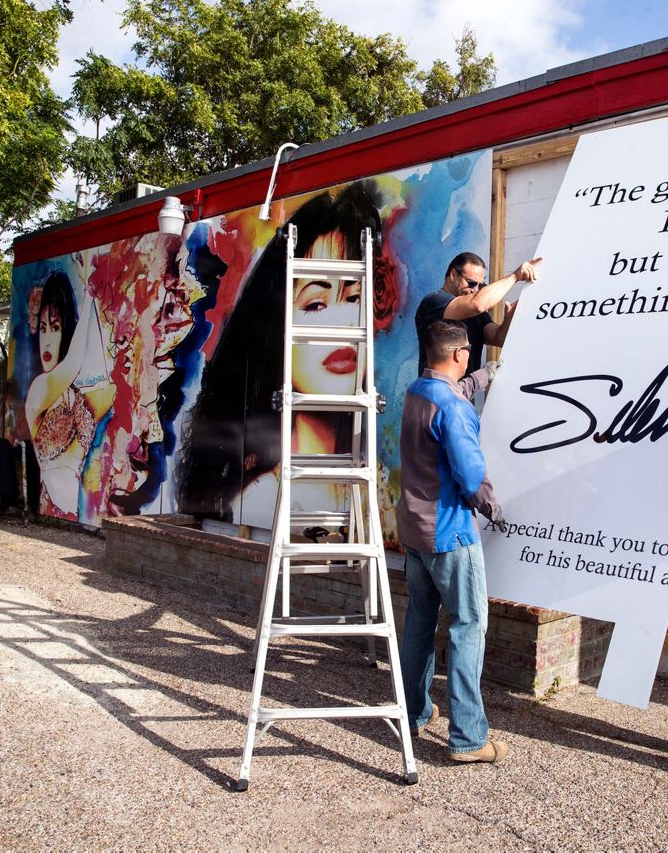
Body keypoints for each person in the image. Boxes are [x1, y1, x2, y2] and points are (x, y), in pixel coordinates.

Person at [178, 181, 392, 524]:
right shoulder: (262, 495)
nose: (342, 324)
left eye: (355, 298)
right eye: (316, 303)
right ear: (275, 325)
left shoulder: (378, 486)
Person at [397, 320, 509, 764]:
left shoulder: (417, 392)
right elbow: (468, 476)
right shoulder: (455, 410)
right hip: (450, 532)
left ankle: (411, 712)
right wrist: (494, 507)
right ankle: (468, 738)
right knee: (468, 627)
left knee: (419, 625)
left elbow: (452, 393)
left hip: (415, 531)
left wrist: (486, 377)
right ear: (461, 353)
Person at [25, 271, 114, 521]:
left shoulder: (74, 396)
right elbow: (73, 363)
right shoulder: (37, 391)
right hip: (53, 506)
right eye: (43, 328)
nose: (48, 341)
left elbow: (113, 390)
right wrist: (88, 299)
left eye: (55, 328)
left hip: (79, 509)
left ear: (69, 332)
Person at [415, 251, 542, 376]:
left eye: (480, 285)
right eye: (471, 283)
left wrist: (508, 319)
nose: (475, 289)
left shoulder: (477, 314)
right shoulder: (433, 302)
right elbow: (477, 304)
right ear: (453, 275)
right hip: (436, 393)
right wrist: (515, 276)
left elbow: (499, 338)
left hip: (464, 394)